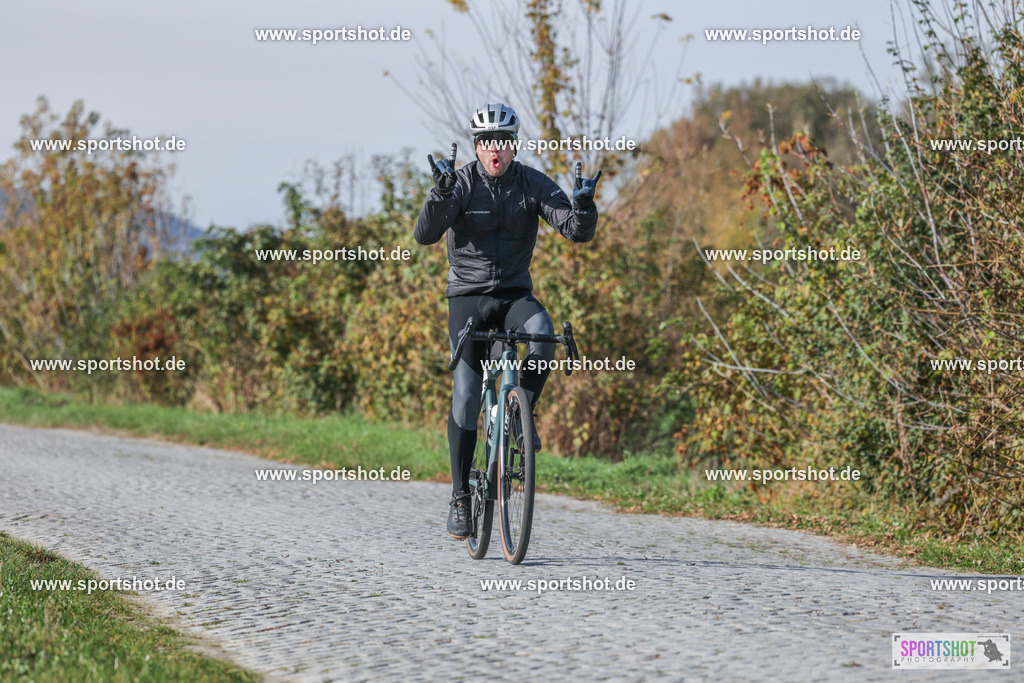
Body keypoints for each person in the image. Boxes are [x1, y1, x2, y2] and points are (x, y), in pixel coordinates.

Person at [414, 102, 602, 539]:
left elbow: (574, 231)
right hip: (468, 298)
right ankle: (461, 496)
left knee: (543, 333)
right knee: (466, 395)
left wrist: (585, 208)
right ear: (477, 148)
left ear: (513, 146)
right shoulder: (458, 183)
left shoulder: (532, 183)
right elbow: (424, 236)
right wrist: (439, 196)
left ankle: (521, 418)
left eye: (501, 142)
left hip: (515, 295)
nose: (494, 150)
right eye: (485, 143)